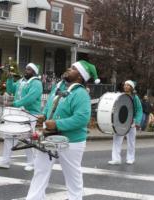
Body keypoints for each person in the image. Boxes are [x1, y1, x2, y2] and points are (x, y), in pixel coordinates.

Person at [26, 60, 100, 200]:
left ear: (80, 76)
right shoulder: (59, 87)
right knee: (40, 170)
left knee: (72, 175)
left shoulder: (81, 94)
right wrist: (44, 116)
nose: (68, 68)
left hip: (72, 141)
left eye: (73, 68)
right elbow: (49, 105)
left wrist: (57, 124)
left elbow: (82, 118)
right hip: (49, 136)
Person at [0, 63, 43, 171]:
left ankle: (31, 162)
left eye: (28, 69)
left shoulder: (36, 83)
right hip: (18, 112)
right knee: (9, 135)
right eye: (26, 68)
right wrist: (10, 78)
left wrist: (15, 104)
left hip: (30, 113)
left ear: (34, 72)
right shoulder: (21, 81)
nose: (26, 70)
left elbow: (31, 98)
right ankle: (5, 161)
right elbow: (11, 90)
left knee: (27, 137)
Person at [108, 80, 143, 165]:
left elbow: (139, 110)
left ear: (131, 87)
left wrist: (137, 121)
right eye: (125, 85)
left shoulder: (135, 98)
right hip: (120, 121)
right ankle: (116, 159)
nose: (126, 86)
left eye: (128, 85)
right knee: (116, 139)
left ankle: (130, 158)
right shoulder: (120, 96)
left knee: (131, 141)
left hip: (131, 121)